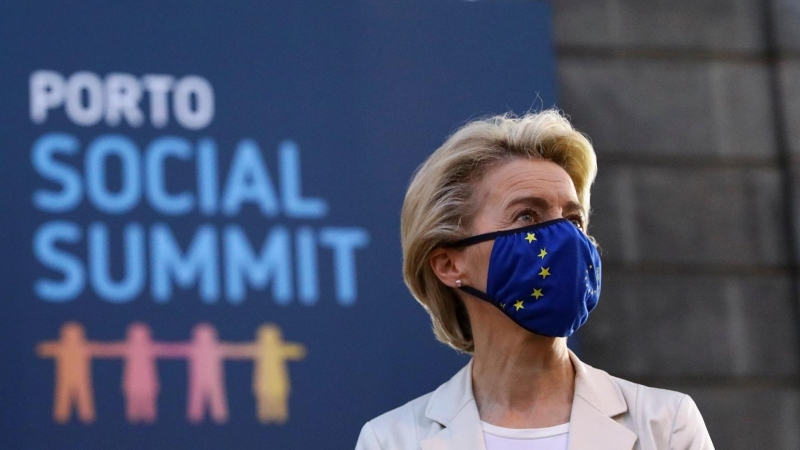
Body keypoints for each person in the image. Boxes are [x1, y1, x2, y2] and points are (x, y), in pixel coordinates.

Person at [355, 111, 714, 449]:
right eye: (527, 216)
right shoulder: (392, 440)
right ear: (449, 264)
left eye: (573, 220)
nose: (564, 238)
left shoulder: (665, 425)